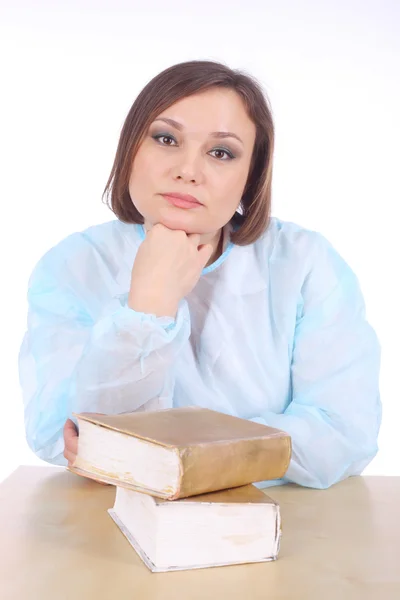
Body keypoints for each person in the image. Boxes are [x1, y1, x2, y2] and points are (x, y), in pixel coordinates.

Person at [18, 60, 381, 489]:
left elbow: (342, 432)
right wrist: (149, 303)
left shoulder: (304, 262)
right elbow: (62, 438)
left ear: (251, 177)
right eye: (166, 138)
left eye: (221, 152)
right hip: (113, 521)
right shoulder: (74, 265)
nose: (188, 170)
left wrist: (182, 457)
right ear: (131, 147)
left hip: (279, 523)